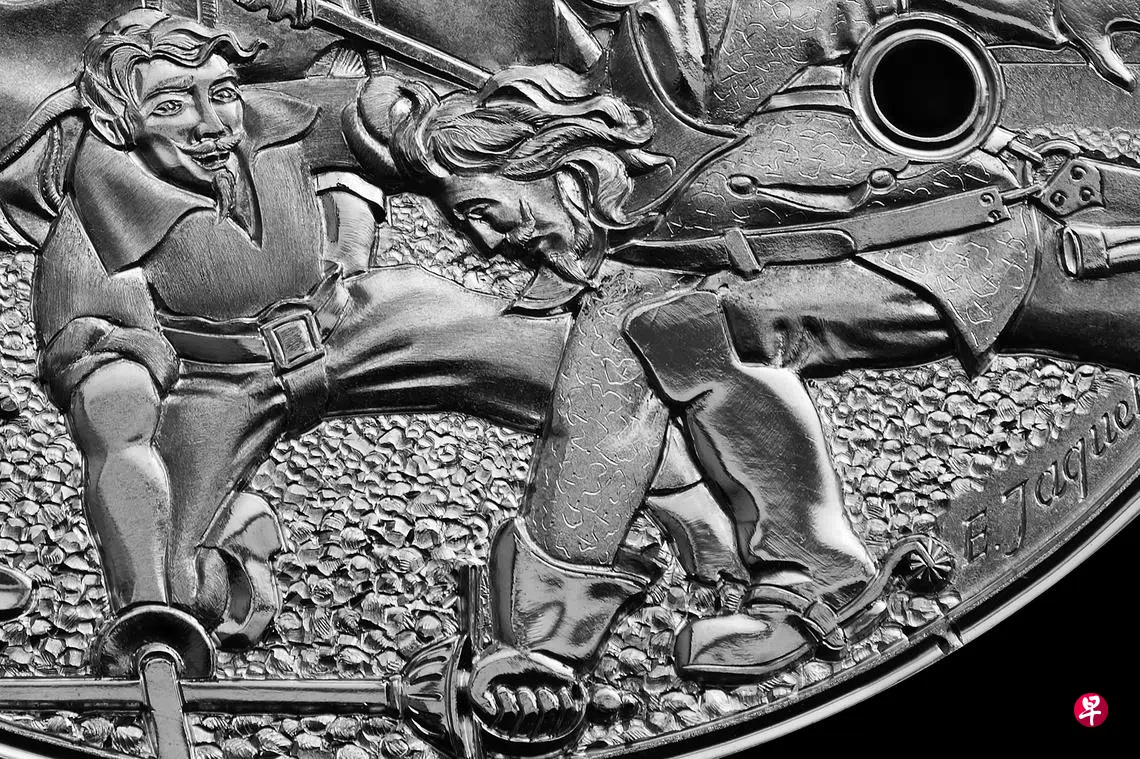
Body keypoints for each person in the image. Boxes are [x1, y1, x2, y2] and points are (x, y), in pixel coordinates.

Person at [30, 8, 573, 649]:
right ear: (117, 120)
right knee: (183, 595)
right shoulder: (95, 218)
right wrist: (147, 607)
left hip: (353, 326)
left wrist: (528, 148)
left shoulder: (268, 116)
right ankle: (232, 547)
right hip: (223, 382)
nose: (211, 125)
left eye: (221, 93)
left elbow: (388, 117)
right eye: (171, 106)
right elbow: (108, 398)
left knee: (583, 370)